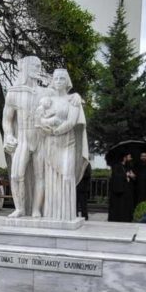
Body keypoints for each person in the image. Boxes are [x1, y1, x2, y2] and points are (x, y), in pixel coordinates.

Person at [35, 68, 89, 221]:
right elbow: (38, 120)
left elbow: (72, 121)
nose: (58, 81)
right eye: (56, 78)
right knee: (51, 178)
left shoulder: (73, 99)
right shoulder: (48, 100)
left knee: (66, 176)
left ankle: (66, 213)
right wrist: (49, 123)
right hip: (51, 143)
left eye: (62, 79)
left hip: (67, 143)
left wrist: (56, 130)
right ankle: (52, 214)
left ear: (67, 82)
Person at [2, 55, 50, 218]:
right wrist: (8, 135)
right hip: (23, 138)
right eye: (35, 67)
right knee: (16, 175)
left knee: (40, 176)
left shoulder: (45, 93)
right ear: (26, 69)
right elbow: (7, 120)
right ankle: (20, 208)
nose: (39, 70)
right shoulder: (13, 93)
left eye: (39, 66)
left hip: (40, 139)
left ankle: (36, 209)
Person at [107, 151, 136, 222]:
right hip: (118, 191)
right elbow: (116, 177)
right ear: (124, 158)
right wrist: (126, 175)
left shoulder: (128, 166)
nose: (130, 158)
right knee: (119, 206)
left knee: (125, 206)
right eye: (129, 156)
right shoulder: (116, 166)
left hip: (126, 190)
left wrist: (132, 176)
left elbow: (132, 176)